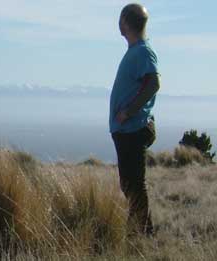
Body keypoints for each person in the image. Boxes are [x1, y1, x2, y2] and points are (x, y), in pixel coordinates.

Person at [109, 3, 161, 236]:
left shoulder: (141, 51)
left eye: (120, 19)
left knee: (134, 184)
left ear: (126, 22)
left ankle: (144, 233)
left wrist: (128, 112)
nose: (118, 24)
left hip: (133, 128)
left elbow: (153, 83)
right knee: (129, 184)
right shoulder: (136, 51)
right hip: (127, 129)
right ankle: (138, 230)